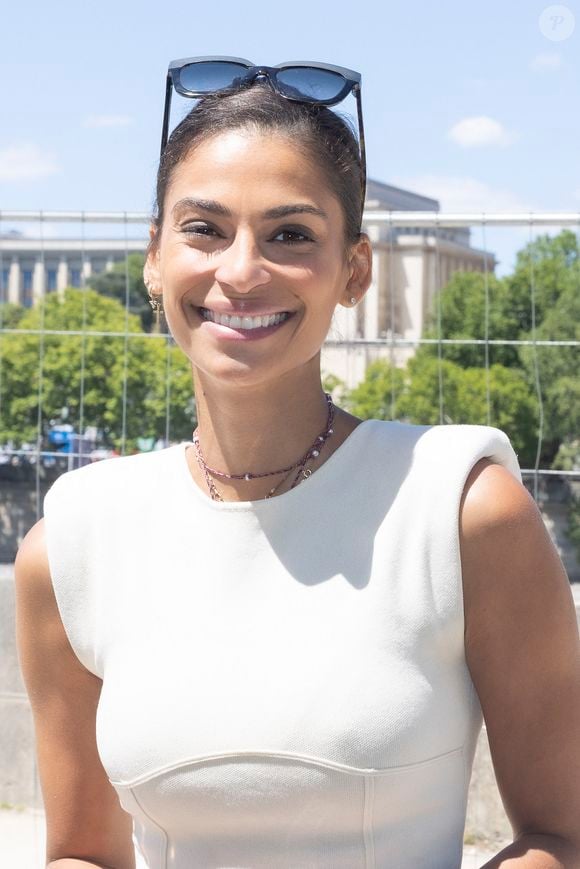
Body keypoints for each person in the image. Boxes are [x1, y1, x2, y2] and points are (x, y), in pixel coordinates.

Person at [14, 59, 580, 869]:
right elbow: (81, 854)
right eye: (204, 228)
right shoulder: (72, 544)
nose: (240, 271)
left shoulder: (461, 512)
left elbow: (561, 838)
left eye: (290, 234)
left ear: (355, 270)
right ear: (154, 256)